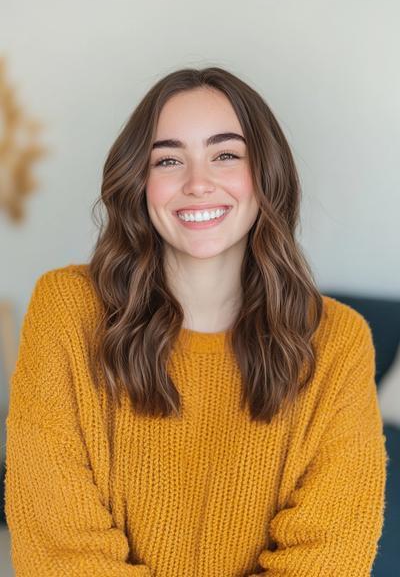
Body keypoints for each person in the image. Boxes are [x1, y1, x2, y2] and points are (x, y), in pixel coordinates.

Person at [5, 66, 388, 576]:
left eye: (225, 154)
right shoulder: (66, 310)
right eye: (168, 159)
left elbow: (329, 558)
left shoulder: (339, 341)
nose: (197, 183)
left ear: (267, 175)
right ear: (140, 181)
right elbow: (59, 550)